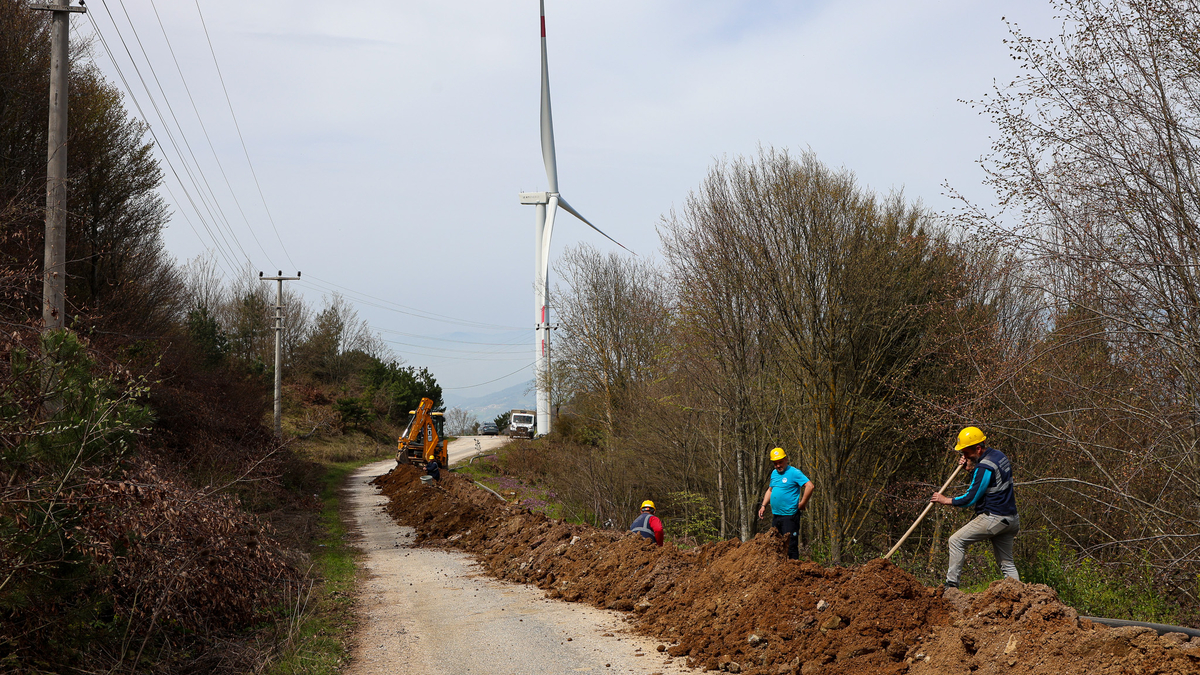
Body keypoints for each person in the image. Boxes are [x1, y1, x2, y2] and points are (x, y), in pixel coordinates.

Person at [930, 426, 1020, 588]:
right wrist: (970, 468)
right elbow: (986, 484)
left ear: (978, 448)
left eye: (966, 453)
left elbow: (970, 498)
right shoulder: (999, 456)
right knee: (1007, 564)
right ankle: (1021, 596)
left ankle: (951, 586)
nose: (964, 456)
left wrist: (945, 500)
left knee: (956, 541)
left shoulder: (985, 466)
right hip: (1011, 519)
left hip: (994, 517)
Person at [757, 447, 814, 560]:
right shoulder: (774, 474)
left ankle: (793, 571)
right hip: (776, 515)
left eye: (780, 462)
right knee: (775, 544)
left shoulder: (794, 472)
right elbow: (770, 490)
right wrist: (763, 506)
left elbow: (810, 486)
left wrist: (802, 503)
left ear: (786, 459)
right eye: (775, 463)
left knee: (790, 545)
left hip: (790, 516)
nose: (778, 465)